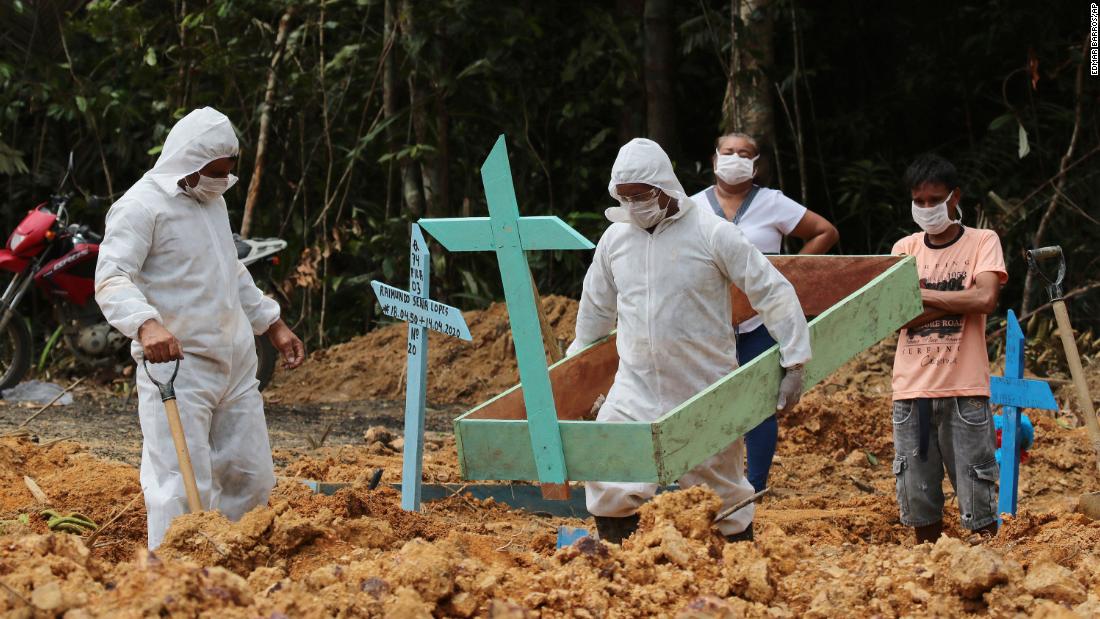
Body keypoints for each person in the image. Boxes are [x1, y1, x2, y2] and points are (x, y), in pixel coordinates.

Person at [568, 138, 812, 543]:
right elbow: (593, 313)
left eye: (641, 196)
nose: (634, 205)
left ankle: (736, 567)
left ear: (664, 188)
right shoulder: (615, 241)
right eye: (624, 197)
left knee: (720, 492)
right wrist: (577, 379)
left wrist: (795, 359)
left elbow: (770, 289)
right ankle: (620, 565)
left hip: (705, 387)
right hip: (634, 388)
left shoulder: (711, 232)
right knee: (610, 469)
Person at [95, 107, 305, 549]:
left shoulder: (213, 201)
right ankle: (176, 580)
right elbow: (112, 278)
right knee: (178, 483)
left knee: (251, 478)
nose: (220, 181)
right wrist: (146, 325)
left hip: (235, 369)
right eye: (213, 173)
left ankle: (238, 568)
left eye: (226, 173)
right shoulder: (140, 207)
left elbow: (231, 270)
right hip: (178, 371)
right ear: (186, 163)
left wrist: (273, 324)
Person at [690, 132, 838, 493]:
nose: (736, 158)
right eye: (728, 152)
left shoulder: (772, 203)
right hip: (707, 323)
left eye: (745, 154)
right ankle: (705, 484)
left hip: (760, 321)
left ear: (756, 165)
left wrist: (789, 276)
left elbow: (825, 232)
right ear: (714, 160)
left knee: (759, 401)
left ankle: (756, 485)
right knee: (704, 404)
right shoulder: (690, 206)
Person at [890, 153, 1007, 544]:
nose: (926, 208)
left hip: (965, 391)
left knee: (978, 493)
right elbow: (894, 318)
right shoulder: (903, 248)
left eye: (934, 199)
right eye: (918, 201)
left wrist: (919, 296)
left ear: (955, 197)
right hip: (912, 391)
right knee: (917, 495)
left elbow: (986, 300)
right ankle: (930, 573)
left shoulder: (982, 241)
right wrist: (961, 295)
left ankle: (990, 571)